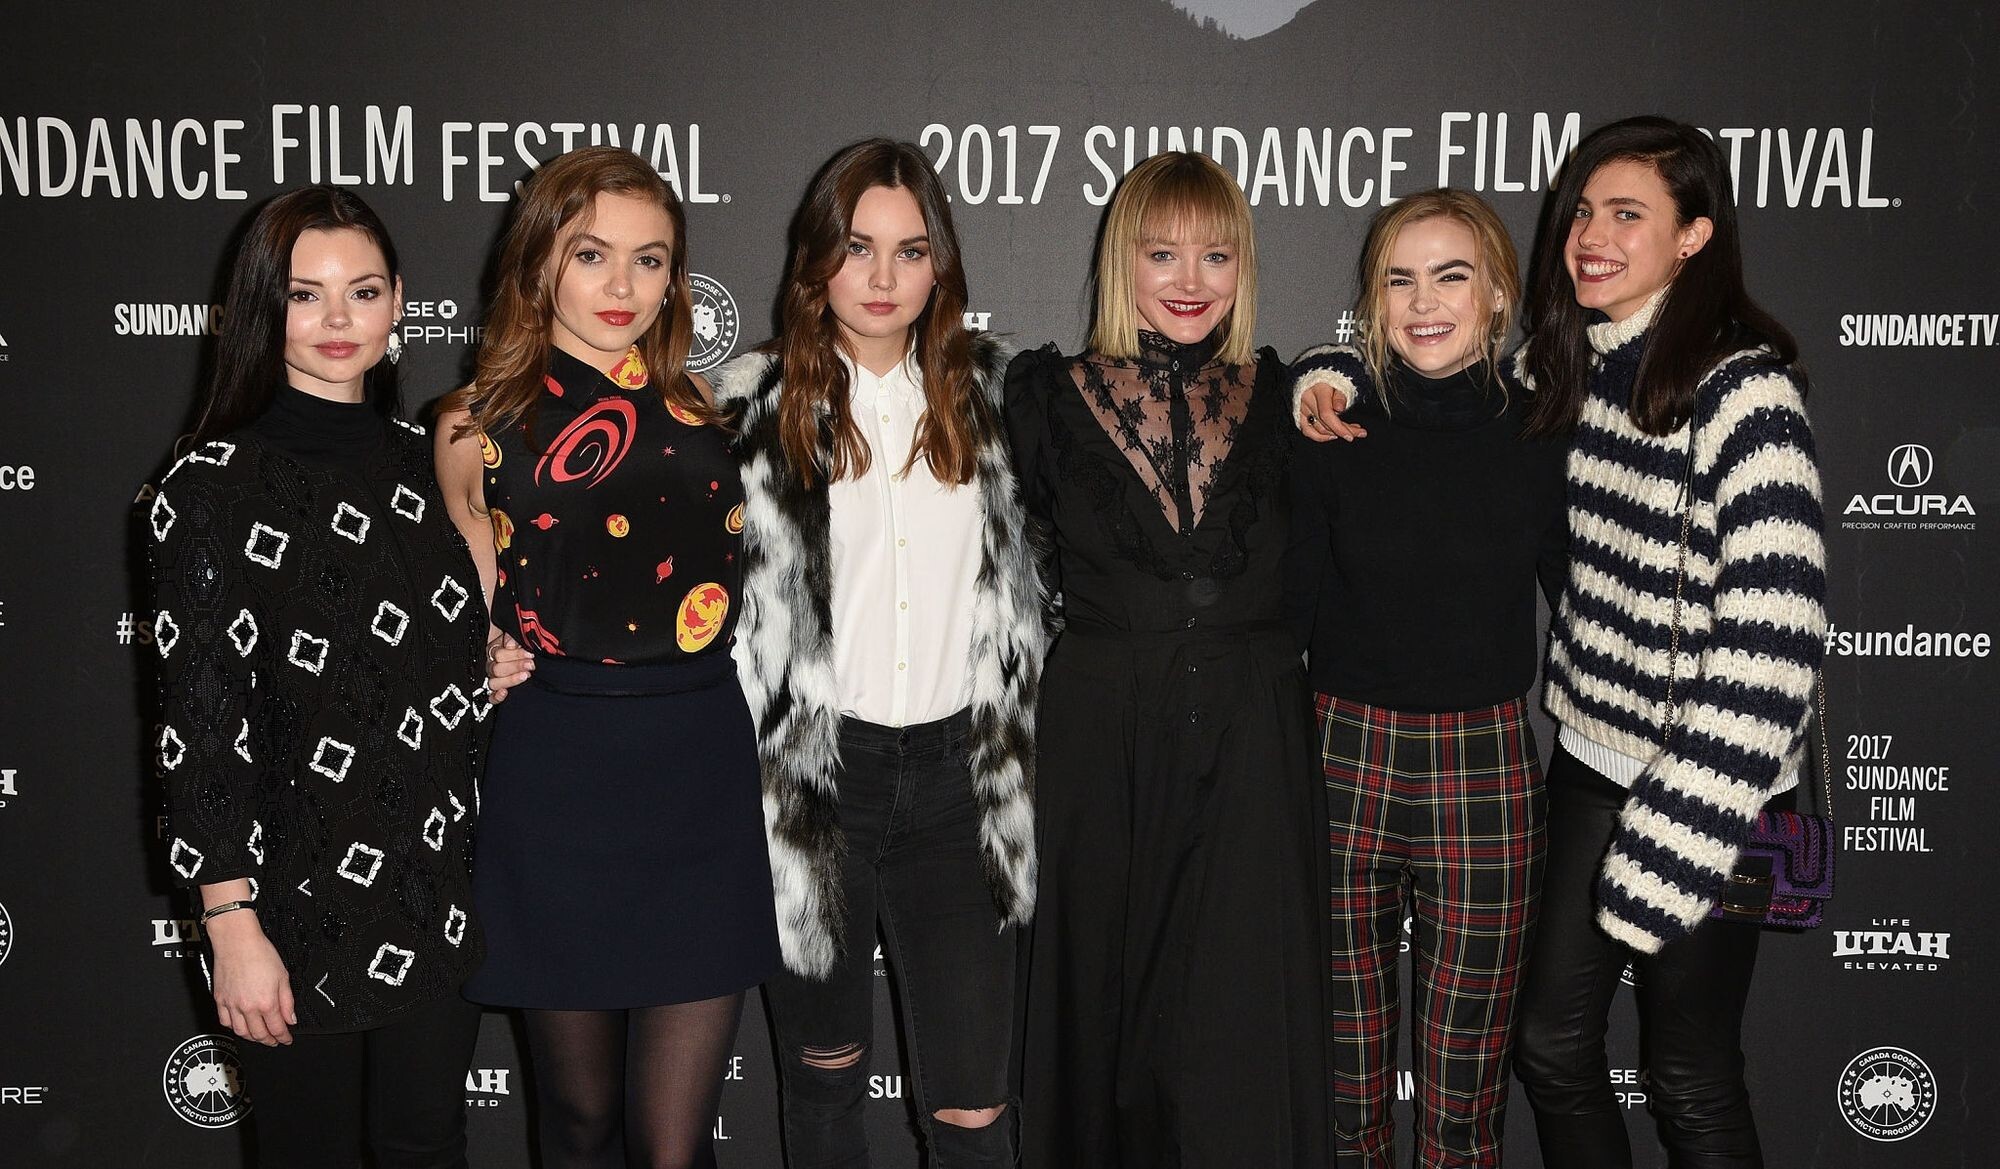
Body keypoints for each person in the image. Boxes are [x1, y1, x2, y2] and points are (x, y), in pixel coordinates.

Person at [435, 146, 780, 1169]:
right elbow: (468, 604)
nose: (622, 285)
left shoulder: (712, 410)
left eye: (650, 259)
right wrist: (480, 650)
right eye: (592, 254)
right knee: (580, 1118)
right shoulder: (470, 425)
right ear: (540, 258)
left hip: (697, 765)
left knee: (672, 1143)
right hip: (555, 770)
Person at [708, 136, 1045, 1169]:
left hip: (962, 783)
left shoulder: (1005, 396)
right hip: (815, 786)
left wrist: (1325, 375)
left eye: (910, 249)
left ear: (940, 264)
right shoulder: (743, 406)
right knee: (824, 1080)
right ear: (818, 256)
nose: (884, 276)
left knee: (975, 1110)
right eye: (858, 247)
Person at [1004, 150, 1330, 1167]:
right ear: (1122, 262)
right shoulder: (1041, 397)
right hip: (1100, 737)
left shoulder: (1293, 396)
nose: (1190, 280)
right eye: (1162, 253)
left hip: (1252, 743)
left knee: (1239, 1017)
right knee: (1101, 1013)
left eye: (1215, 255)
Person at [151, 186, 487, 1168]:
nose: (339, 319)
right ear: (265, 306)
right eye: (306, 295)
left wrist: (489, 667)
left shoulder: (430, 465)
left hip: (439, 889)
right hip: (293, 903)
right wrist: (230, 922)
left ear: (398, 303)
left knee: (430, 1145)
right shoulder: (208, 487)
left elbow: (433, 665)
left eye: (363, 291)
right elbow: (201, 726)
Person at [1283, 189, 1567, 1167]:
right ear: (1372, 300)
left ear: (1496, 294)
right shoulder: (1327, 427)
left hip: (1484, 765)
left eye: (1450, 275)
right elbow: (1282, 614)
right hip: (1338, 755)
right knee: (1341, 1097)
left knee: (1463, 1107)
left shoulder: (1544, 434)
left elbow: (1588, 600)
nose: (1423, 301)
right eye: (1398, 279)